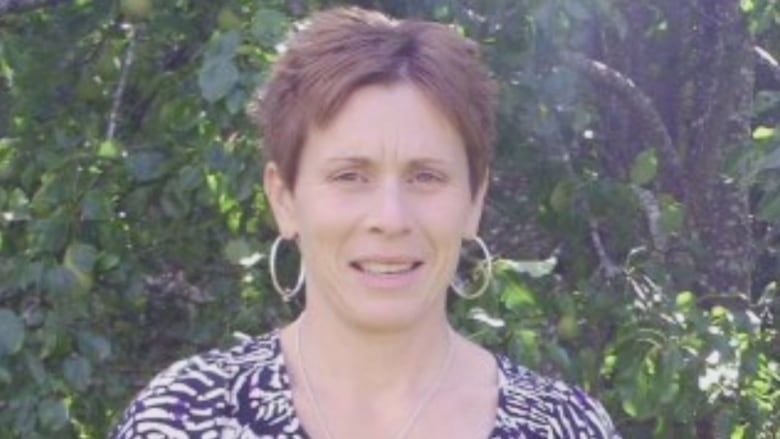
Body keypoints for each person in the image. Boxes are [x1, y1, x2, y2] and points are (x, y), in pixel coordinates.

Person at [109, 6, 621, 439]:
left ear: (474, 200)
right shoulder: (181, 417)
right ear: (284, 197)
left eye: (425, 176)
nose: (390, 219)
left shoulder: (566, 425)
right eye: (351, 175)